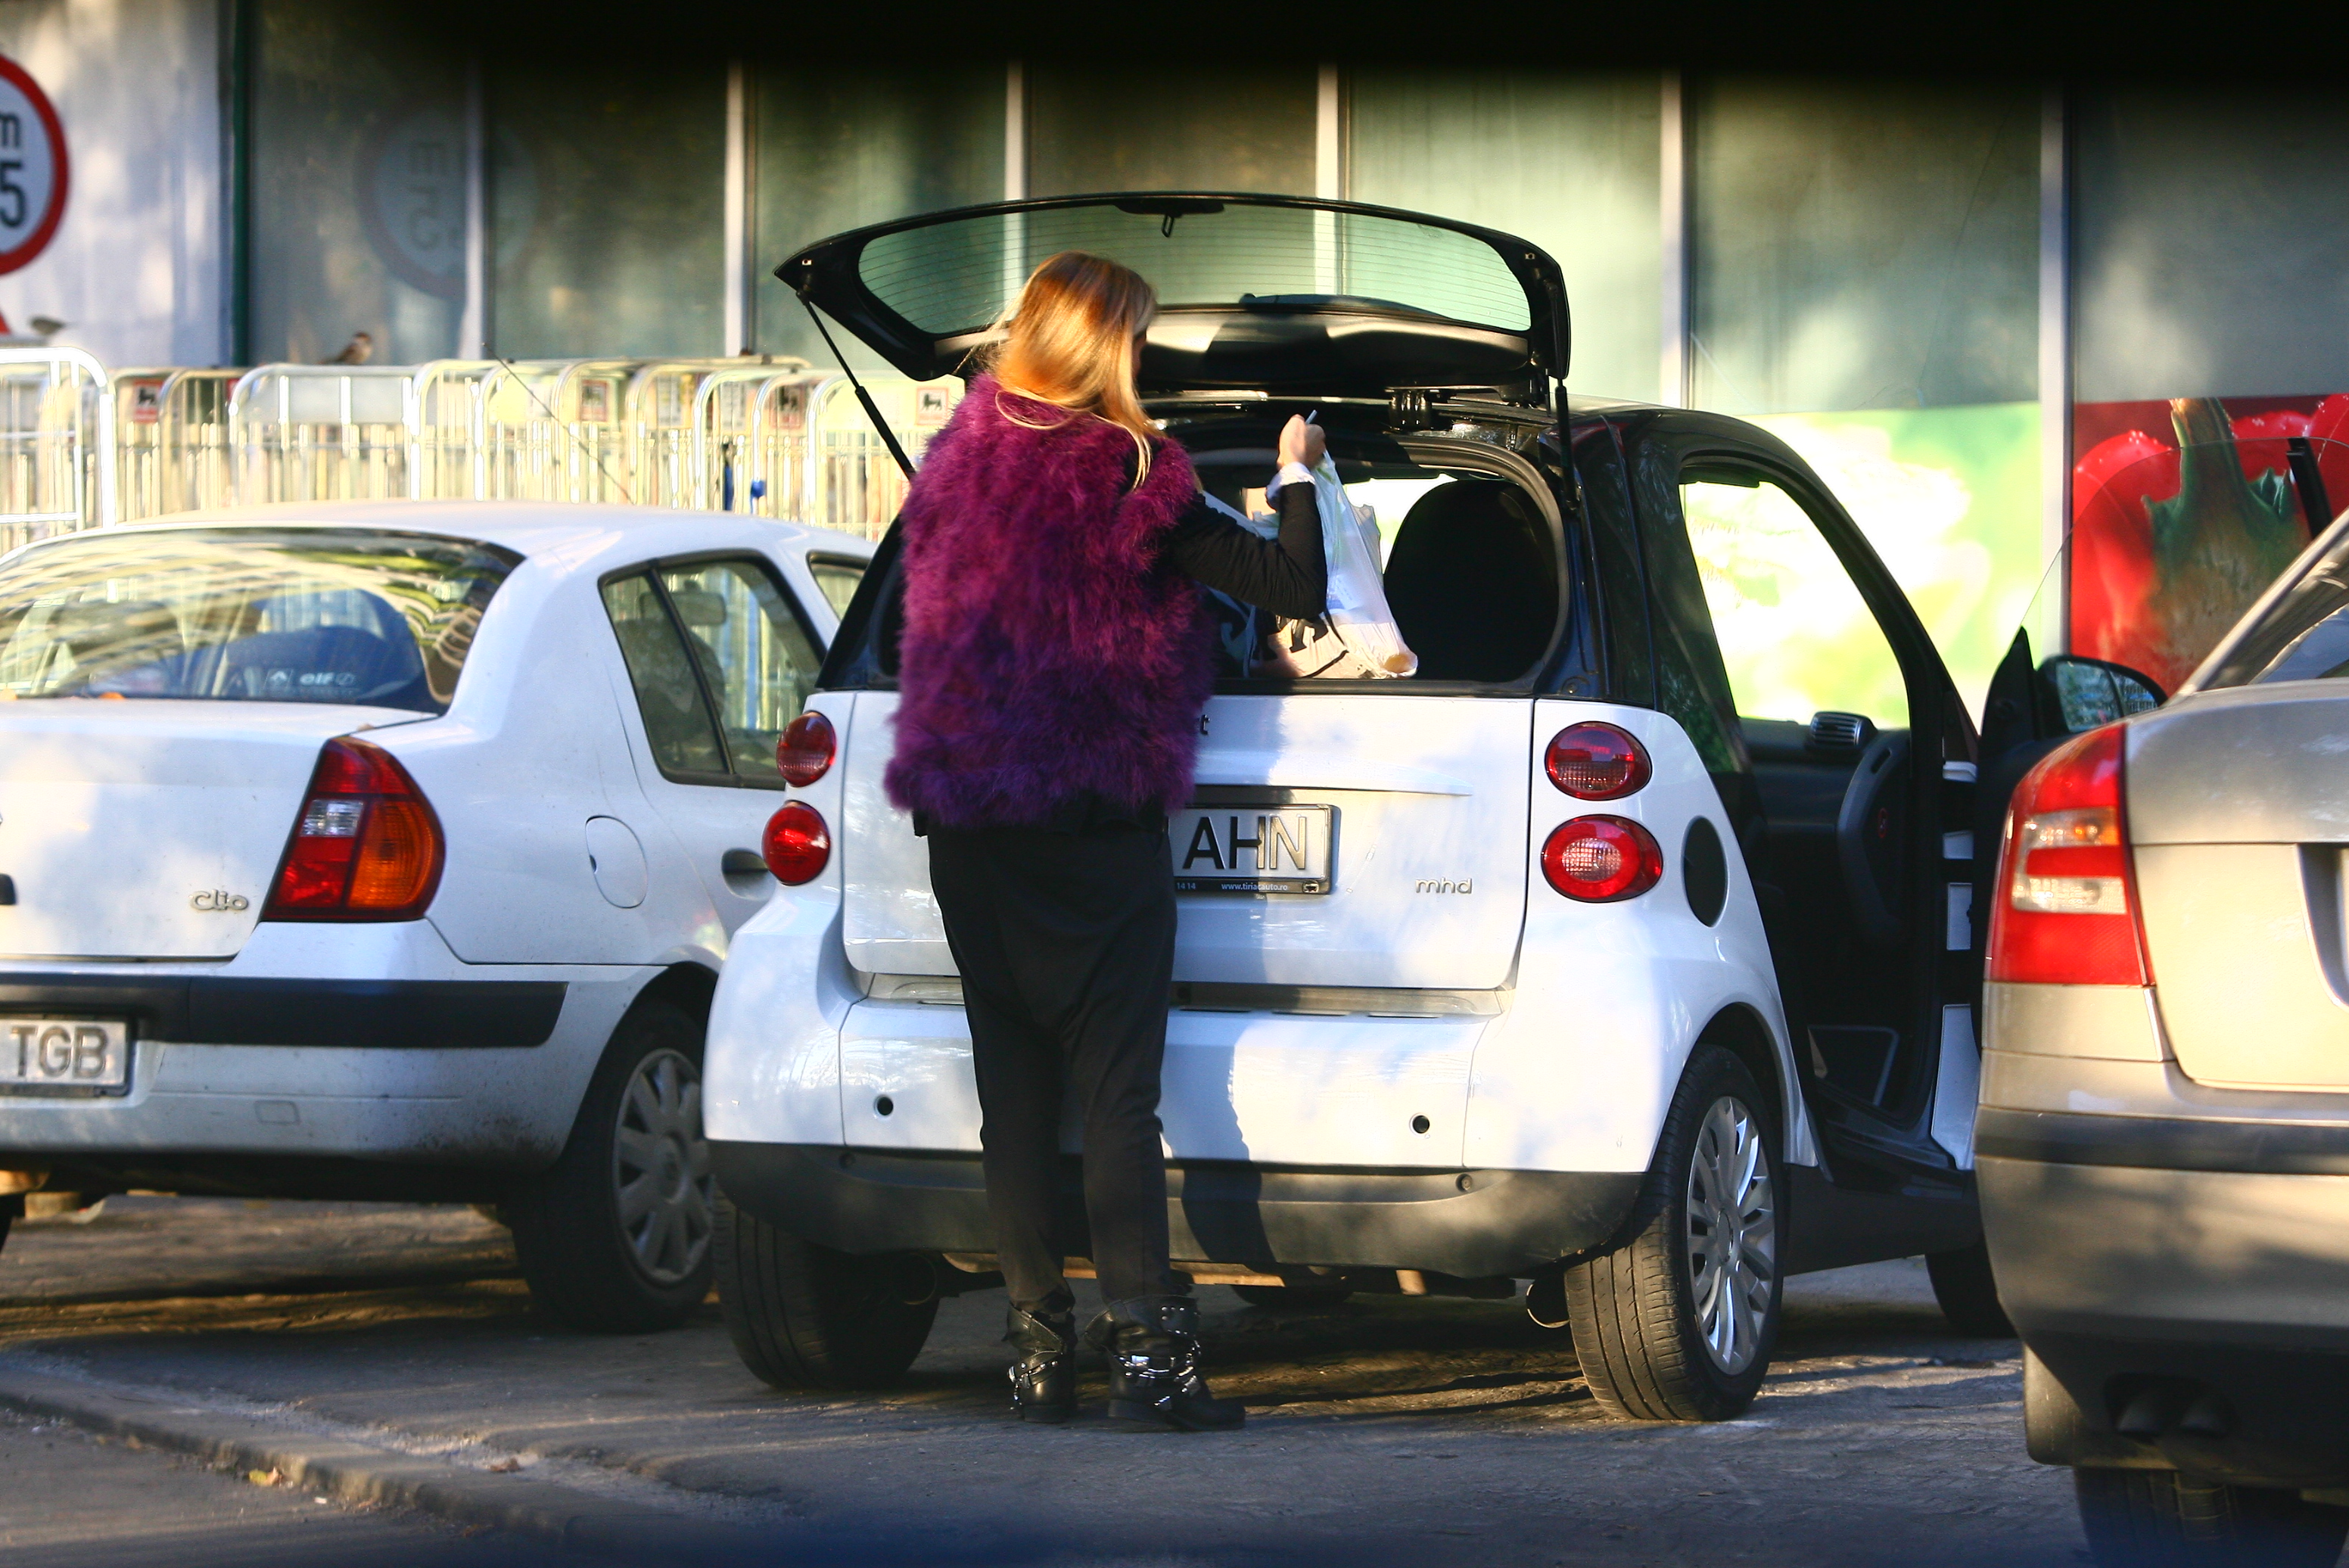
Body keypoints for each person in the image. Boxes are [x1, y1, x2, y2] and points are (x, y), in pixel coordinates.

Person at [885, 251, 1328, 1432]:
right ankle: (1153, 1362)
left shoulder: (955, 459)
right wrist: (1295, 477)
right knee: (1119, 1100)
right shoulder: (1138, 470)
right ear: (1111, 349)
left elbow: (906, 630)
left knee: (1015, 1099)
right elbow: (1294, 582)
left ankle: (1037, 1358)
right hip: (1094, 830)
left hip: (971, 829)